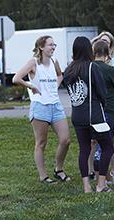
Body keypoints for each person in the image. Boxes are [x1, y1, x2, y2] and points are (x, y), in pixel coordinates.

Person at [12, 35, 72, 184]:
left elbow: (60, 75)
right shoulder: (33, 63)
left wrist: (54, 86)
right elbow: (16, 78)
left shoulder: (54, 61)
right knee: (41, 143)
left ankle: (59, 170)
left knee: (66, 140)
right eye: (50, 45)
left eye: (54, 45)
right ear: (41, 47)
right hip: (40, 107)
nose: (53, 47)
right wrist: (31, 86)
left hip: (56, 105)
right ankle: (43, 176)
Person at [63, 36, 114, 193]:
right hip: (94, 115)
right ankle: (101, 184)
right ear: (88, 50)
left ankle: (86, 186)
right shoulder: (92, 67)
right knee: (108, 147)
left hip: (77, 115)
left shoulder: (69, 70)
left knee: (84, 149)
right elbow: (102, 92)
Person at [89, 41, 114, 183]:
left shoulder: (89, 68)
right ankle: (104, 177)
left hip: (93, 110)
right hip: (109, 109)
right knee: (106, 145)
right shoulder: (109, 69)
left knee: (97, 142)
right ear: (107, 55)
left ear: (94, 53)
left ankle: (98, 174)